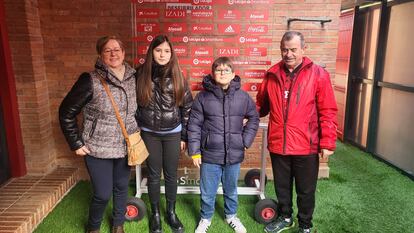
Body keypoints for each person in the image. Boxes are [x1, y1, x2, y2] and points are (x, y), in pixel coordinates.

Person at [256, 31, 338, 233]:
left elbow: (328, 110)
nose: (288, 54)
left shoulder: (319, 74)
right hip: (279, 143)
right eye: (285, 49)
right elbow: (261, 105)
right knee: (282, 187)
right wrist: (242, 115)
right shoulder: (272, 74)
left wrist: (327, 142)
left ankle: (305, 225)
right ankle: (285, 217)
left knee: (306, 190)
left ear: (304, 49)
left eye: (293, 49)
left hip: (306, 145)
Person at [59, 36, 137, 233]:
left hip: (126, 145)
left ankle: (118, 224)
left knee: (121, 188)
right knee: (102, 193)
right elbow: (66, 111)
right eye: (108, 50)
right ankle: (93, 227)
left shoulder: (133, 77)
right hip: (98, 147)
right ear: (101, 55)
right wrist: (75, 142)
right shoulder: (90, 79)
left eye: (117, 49)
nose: (113, 54)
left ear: (124, 53)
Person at [188, 57, 260, 233]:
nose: (222, 73)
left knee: (231, 189)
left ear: (233, 74)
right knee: (207, 191)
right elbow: (194, 125)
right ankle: (205, 218)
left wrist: (246, 140)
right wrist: (195, 152)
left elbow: (254, 117)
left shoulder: (243, 97)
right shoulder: (202, 98)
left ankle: (231, 216)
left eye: (226, 70)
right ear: (213, 74)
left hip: (233, 154)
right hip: (210, 154)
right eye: (218, 70)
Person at [135, 35, 193, 233]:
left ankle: (171, 212)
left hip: (172, 133)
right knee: (153, 175)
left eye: (166, 51)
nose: (162, 54)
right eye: (158, 50)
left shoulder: (178, 74)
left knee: (170, 174)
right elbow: (132, 105)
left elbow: (187, 108)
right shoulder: (140, 74)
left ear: (171, 53)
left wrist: (184, 136)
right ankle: (156, 215)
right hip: (149, 133)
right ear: (152, 52)